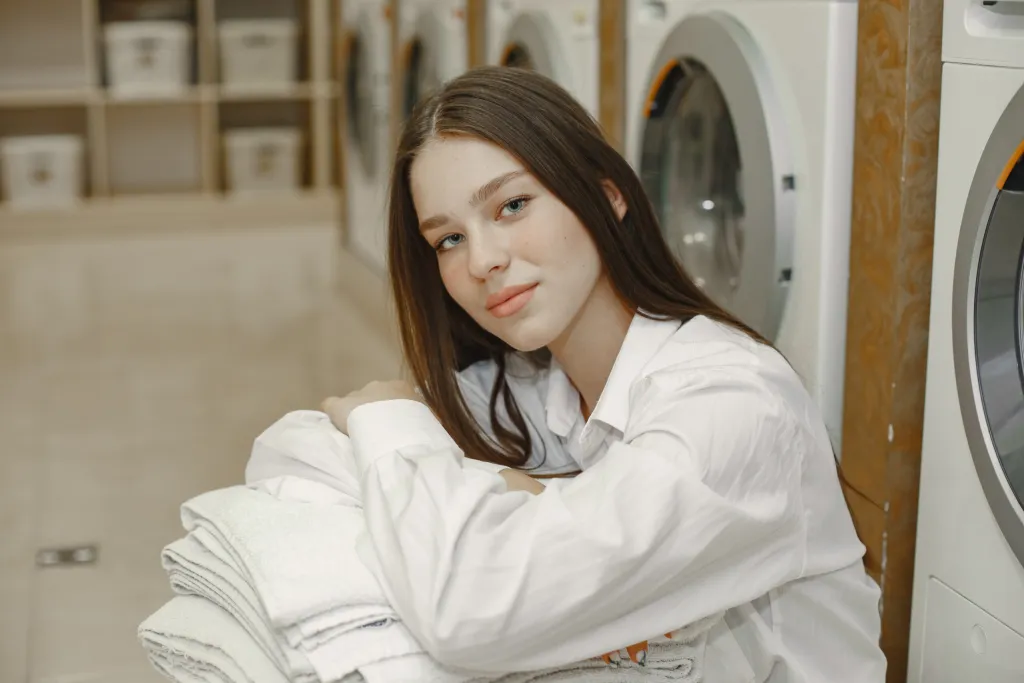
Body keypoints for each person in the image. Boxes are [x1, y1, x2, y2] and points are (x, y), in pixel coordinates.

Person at [321, 66, 886, 681]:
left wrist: (410, 436)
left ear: (609, 196)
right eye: (450, 239)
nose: (483, 260)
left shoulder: (734, 404)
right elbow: (301, 450)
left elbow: (473, 617)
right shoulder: (538, 389)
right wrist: (526, 494)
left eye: (512, 205)